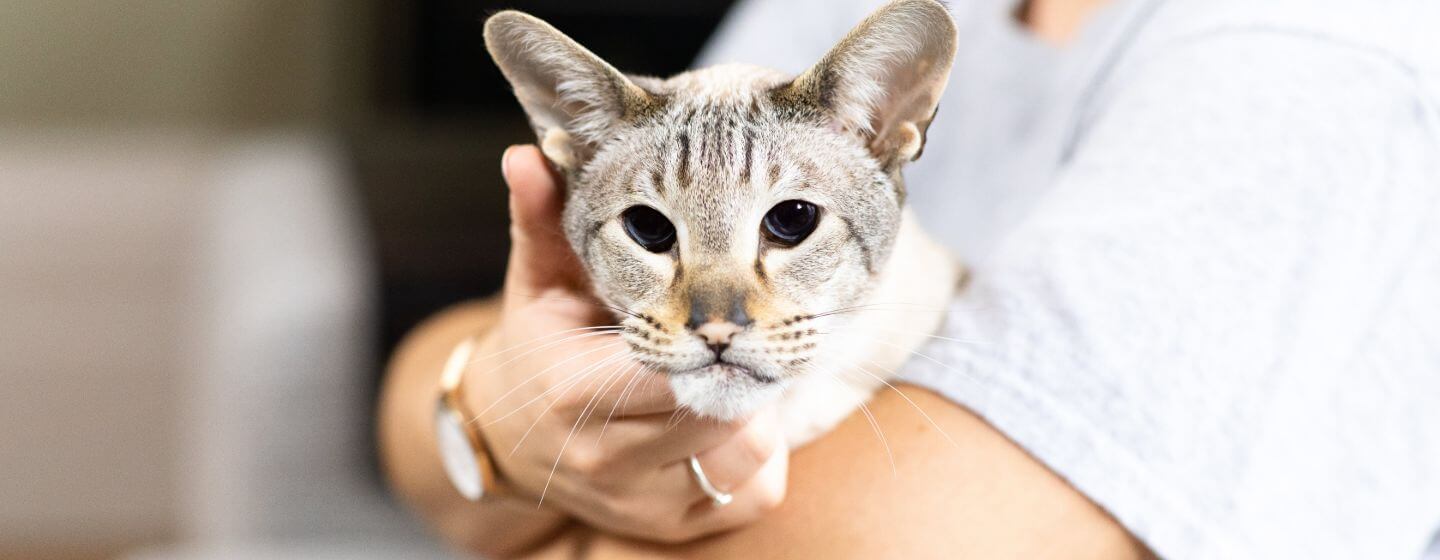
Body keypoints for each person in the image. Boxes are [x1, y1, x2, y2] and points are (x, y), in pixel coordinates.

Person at [378, 0, 1440, 557]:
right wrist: (497, 420)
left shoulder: (1314, 53)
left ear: (890, 132)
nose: (714, 313)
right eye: (654, 229)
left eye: (787, 222)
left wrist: (519, 486)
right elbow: (407, 412)